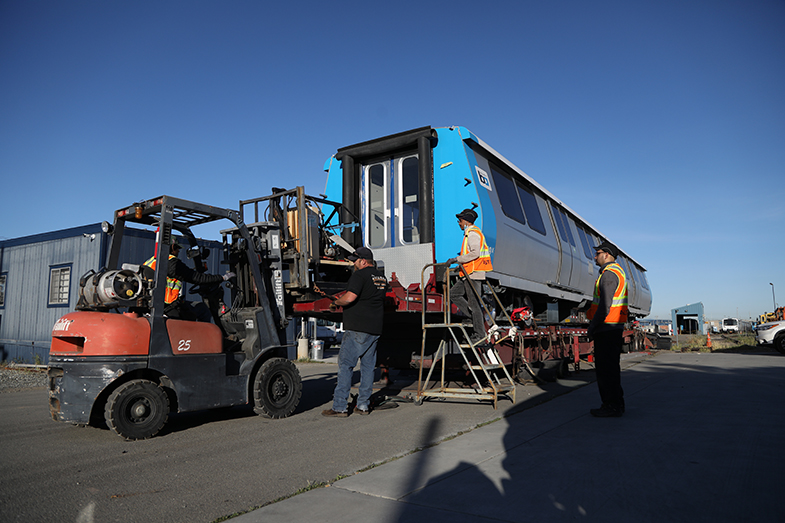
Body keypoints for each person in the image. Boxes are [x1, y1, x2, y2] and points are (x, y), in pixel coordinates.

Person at [322, 246, 388, 417]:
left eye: (355, 261)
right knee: (367, 369)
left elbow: (350, 297)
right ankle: (363, 406)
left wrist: (337, 302)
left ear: (363, 261)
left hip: (358, 328)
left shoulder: (360, 275)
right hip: (374, 328)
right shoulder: (381, 277)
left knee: (346, 366)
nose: (353, 264)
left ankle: (340, 407)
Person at [143, 239, 234, 322]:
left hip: (155, 304)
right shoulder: (172, 263)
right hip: (168, 306)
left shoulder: (151, 261)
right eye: (177, 248)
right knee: (203, 310)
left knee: (198, 307)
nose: (178, 251)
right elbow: (196, 278)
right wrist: (222, 278)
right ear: (172, 247)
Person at [586, 241, 629, 417]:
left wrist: (592, 326)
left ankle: (611, 405)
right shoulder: (615, 272)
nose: (594, 257)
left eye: (597, 254)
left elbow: (604, 306)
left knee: (606, 370)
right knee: (610, 368)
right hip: (612, 327)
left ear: (606, 255)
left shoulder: (609, 275)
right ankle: (616, 403)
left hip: (607, 328)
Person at [446, 208, 493, 343]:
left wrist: (456, 259)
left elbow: (475, 253)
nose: (458, 223)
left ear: (466, 221)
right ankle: (473, 318)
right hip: (467, 273)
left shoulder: (472, 234)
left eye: (460, 221)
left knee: (474, 305)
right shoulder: (469, 233)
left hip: (473, 274)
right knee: (454, 294)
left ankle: (480, 334)